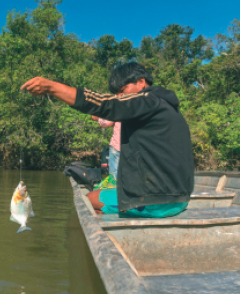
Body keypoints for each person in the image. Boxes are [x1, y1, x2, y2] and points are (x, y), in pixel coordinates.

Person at [20, 63, 194, 218]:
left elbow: (105, 104)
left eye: (122, 91)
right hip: (180, 201)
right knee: (105, 196)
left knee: (89, 200)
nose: (119, 97)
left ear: (141, 82)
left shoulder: (148, 100)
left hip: (157, 203)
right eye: (116, 94)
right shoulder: (168, 108)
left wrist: (52, 87)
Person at [91, 114, 120, 179]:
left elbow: (106, 122)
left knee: (114, 177)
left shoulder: (121, 105)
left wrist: (97, 117)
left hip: (117, 147)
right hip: (134, 148)